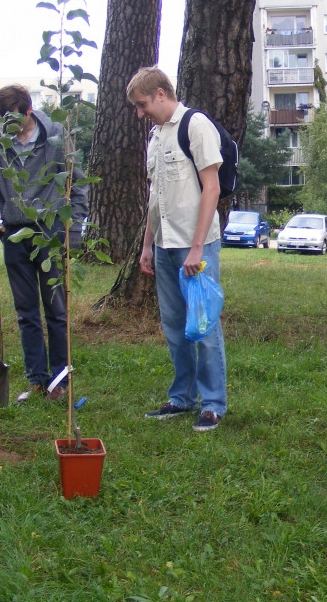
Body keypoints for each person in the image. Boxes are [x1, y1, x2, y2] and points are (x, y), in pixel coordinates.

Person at [128, 66, 227, 432]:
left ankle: (213, 404)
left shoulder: (196, 125)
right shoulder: (155, 136)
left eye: (142, 105)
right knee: (173, 325)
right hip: (165, 245)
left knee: (203, 325)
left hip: (194, 246)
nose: (140, 114)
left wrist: (197, 249)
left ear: (160, 93)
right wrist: (147, 245)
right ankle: (182, 398)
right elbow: (156, 197)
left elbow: (212, 188)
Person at [0, 84, 89, 404]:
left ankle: (60, 381)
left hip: (51, 232)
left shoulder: (55, 134)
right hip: (13, 234)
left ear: (29, 111)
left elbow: (77, 182)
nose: (9, 129)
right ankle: (38, 380)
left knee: (56, 309)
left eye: (15, 121)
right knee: (26, 312)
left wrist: (75, 231)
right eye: (4, 122)